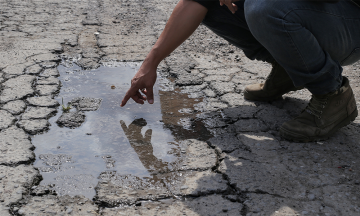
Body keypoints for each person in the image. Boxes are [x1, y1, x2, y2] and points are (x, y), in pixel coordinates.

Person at [121, 0, 360, 142]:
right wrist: (150, 63)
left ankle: (332, 93)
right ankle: (291, 66)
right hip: (315, 16)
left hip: (348, 20)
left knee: (264, 7)